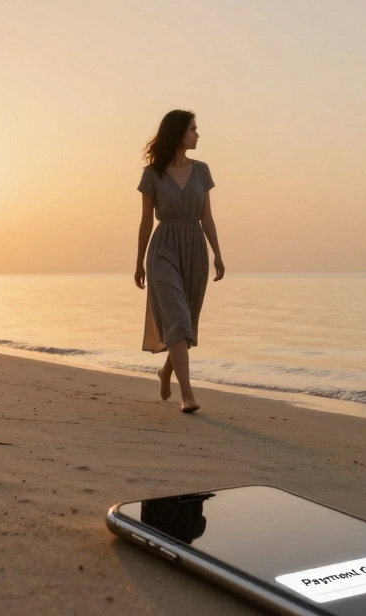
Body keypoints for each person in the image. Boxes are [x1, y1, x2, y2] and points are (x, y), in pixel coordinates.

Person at [135, 110, 226, 413]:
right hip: (162, 250)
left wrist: (217, 254)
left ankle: (166, 371)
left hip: (194, 250)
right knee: (176, 315)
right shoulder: (153, 174)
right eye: (192, 129)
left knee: (184, 323)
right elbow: (146, 221)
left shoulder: (202, 170)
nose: (197, 135)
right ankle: (187, 394)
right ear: (178, 134)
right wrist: (139, 262)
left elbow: (207, 218)